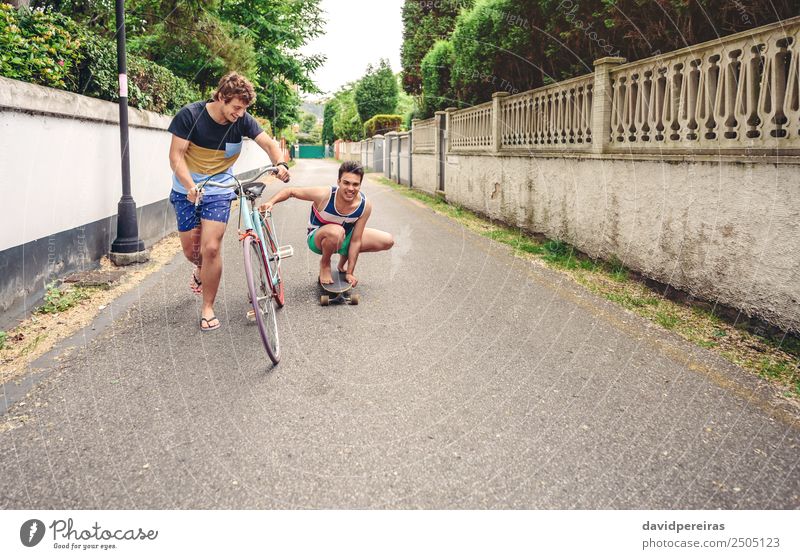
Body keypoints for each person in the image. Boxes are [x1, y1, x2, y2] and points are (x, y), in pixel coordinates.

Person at [168, 72, 290, 332]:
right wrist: (190, 186)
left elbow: (269, 144)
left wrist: (279, 162)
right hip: (186, 189)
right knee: (193, 252)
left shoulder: (243, 120)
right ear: (221, 97)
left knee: (211, 248)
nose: (240, 113)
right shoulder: (190, 116)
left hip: (220, 189)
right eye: (236, 107)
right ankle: (200, 268)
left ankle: (207, 307)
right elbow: (176, 156)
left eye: (244, 108)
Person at [259, 161, 393, 286]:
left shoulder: (365, 205)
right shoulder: (325, 195)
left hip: (344, 237)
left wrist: (350, 272)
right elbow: (291, 191)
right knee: (337, 232)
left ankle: (342, 261)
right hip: (318, 239)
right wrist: (271, 202)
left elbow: (356, 240)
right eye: (346, 183)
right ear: (338, 181)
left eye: (355, 184)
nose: (351, 188)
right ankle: (325, 263)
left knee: (387, 240)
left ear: (360, 185)